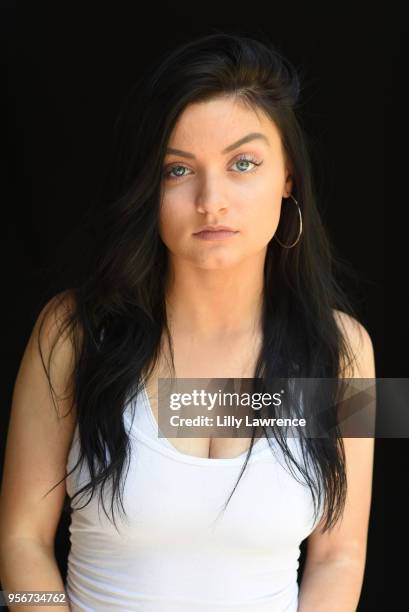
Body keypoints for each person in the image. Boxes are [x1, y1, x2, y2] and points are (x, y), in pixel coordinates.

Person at [0, 31, 375, 611]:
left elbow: (340, 555)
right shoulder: (73, 332)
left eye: (243, 164)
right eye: (178, 171)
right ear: (149, 189)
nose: (211, 200)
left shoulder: (344, 350)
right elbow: (21, 536)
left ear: (287, 181)